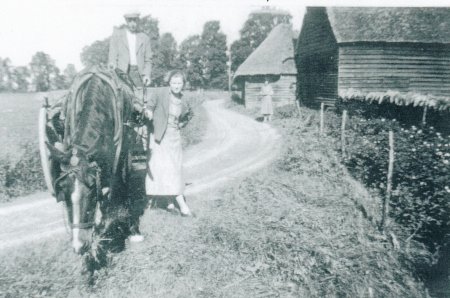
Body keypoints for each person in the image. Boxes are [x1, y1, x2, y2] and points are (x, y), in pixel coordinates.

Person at [143, 71, 193, 216]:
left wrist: (181, 124)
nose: (176, 86)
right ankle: (183, 207)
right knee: (165, 169)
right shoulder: (160, 93)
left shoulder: (184, 99)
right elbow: (150, 107)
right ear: (169, 83)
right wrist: (149, 113)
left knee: (174, 170)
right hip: (160, 137)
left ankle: (170, 202)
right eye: (174, 83)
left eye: (179, 83)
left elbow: (190, 114)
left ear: (183, 84)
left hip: (174, 138)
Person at [108, 12, 152, 90]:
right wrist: (113, 66)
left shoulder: (145, 38)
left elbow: (148, 60)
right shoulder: (117, 36)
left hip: (138, 73)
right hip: (121, 73)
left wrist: (146, 75)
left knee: (139, 99)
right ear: (126, 21)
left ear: (138, 21)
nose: (132, 24)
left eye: (135, 20)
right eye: (130, 21)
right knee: (121, 98)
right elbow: (112, 55)